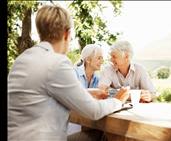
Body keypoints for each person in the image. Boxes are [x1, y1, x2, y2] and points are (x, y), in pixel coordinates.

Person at [8, 5, 129, 141]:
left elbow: (43, 93)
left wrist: (87, 93)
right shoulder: (57, 63)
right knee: (103, 136)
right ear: (66, 34)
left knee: (94, 135)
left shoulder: (22, 60)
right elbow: (93, 111)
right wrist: (118, 101)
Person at [67, 44, 106, 136]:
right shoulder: (73, 73)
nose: (102, 61)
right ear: (88, 60)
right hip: (71, 124)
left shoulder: (97, 78)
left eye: (102, 58)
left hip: (88, 123)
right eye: (99, 58)